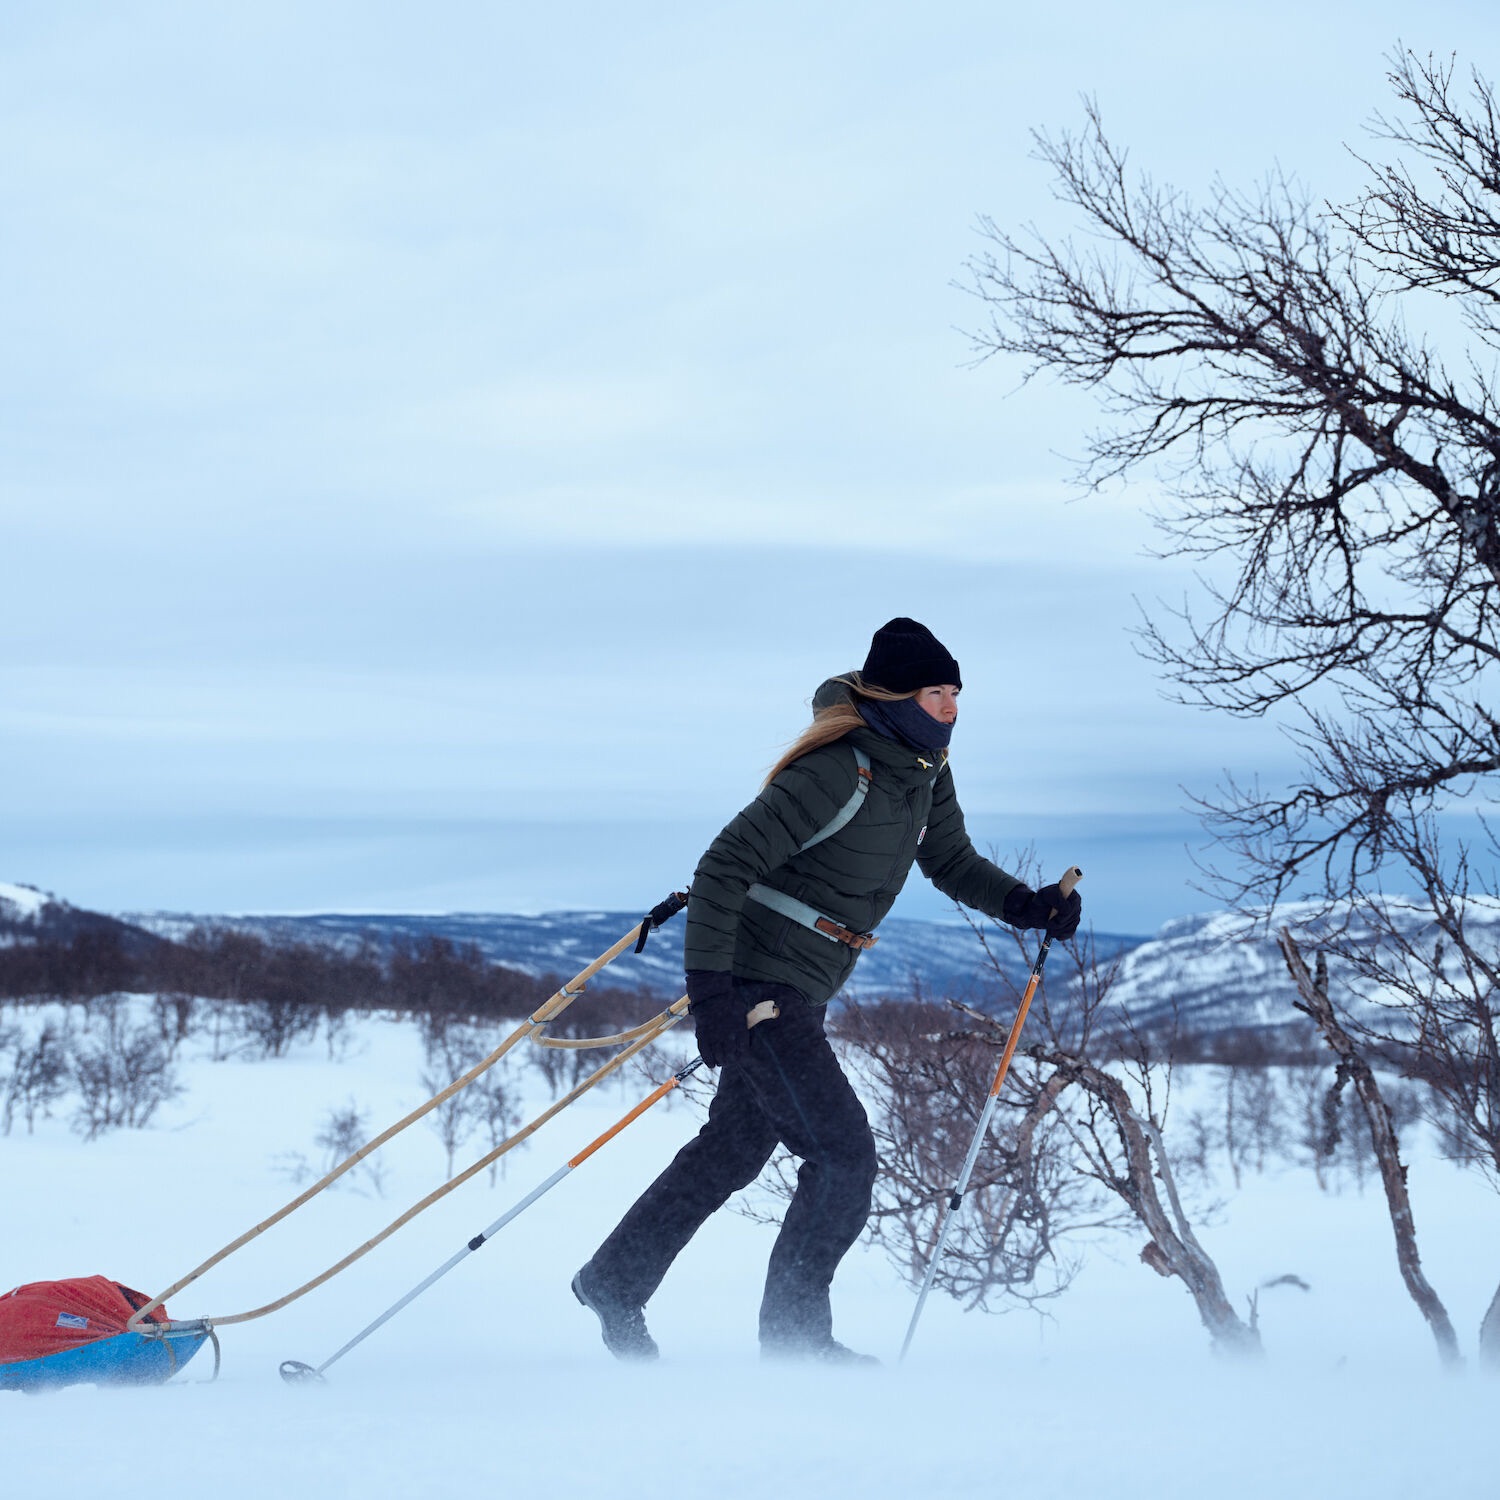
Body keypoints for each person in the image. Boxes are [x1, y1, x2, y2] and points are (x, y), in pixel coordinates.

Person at [571, 618, 1082, 1362]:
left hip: (802, 983)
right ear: (896, 696)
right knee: (843, 1158)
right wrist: (712, 994)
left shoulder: (924, 769)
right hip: (759, 982)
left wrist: (1025, 905)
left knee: (735, 1148)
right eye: (936, 693)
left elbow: (951, 860)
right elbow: (722, 866)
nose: (951, 708)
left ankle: (615, 1281)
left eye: (956, 693)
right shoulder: (837, 770)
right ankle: (796, 1346)